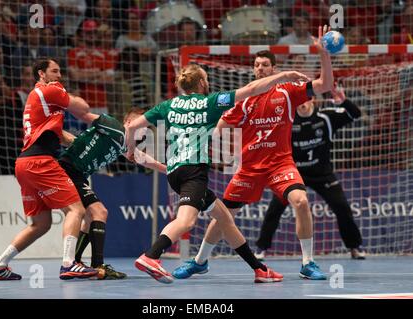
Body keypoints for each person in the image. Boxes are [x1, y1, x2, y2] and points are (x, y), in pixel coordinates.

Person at [172, 25, 334, 281]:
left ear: (273, 69)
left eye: (265, 65)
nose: (260, 68)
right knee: (223, 216)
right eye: (257, 65)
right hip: (249, 168)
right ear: (253, 69)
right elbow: (219, 126)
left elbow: (325, 85)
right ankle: (199, 261)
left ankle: (308, 263)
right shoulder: (244, 100)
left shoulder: (288, 91)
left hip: (280, 164)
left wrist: (324, 54)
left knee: (301, 202)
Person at [125, 63, 310, 284]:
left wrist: (130, 151)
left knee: (224, 219)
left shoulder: (168, 105)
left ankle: (260, 270)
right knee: (186, 221)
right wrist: (284, 76)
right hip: (193, 172)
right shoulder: (211, 102)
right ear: (202, 82)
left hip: (174, 171)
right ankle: (151, 256)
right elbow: (251, 89)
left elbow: (131, 126)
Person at [0, 58, 100, 281]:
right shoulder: (49, 90)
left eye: (60, 72)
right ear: (41, 74)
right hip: (40, 162)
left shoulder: (42, 103)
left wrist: (86, 145)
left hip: (25, 164)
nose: (59, 75)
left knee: (41, 224)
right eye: (54, 71)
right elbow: (83, 108)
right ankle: (68, 264)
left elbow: (60, 137)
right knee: (77, 210)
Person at [256, 87, 366, 260]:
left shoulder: (326, 117)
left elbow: (356, 114)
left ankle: (354, 247)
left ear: (312, 99)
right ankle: (261, 248)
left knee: (342, 207)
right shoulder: (287, 120)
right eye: (298, 100)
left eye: (305, 98)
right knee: (275, 208)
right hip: (294, 173)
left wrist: (344, 101)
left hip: (322, 173)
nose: (302, 103)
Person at [60, 107, 166, 279]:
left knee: (89, 218)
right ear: (130, 123)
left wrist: (168, 170)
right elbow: (84, 114)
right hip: (68, 170)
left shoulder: (124, 143)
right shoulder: (113, 127)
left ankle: (76, 262)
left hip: (77, 174)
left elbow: (143, 159)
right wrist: (62, 100)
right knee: (100, 212)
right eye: (143, 125)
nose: (145, 131)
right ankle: (98, 266)